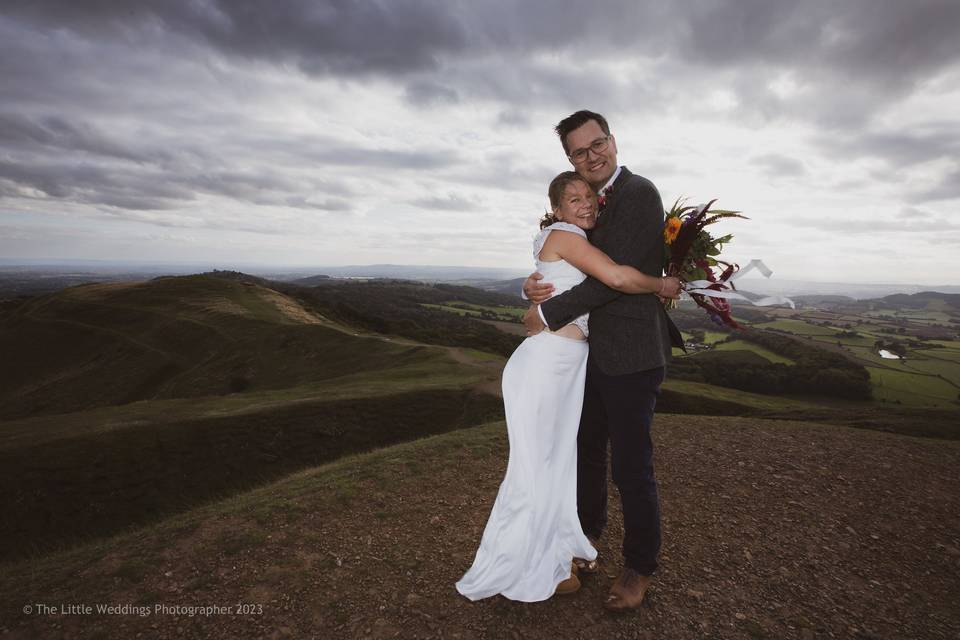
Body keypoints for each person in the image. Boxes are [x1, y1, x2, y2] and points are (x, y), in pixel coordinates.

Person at [455, 171, 680, 603]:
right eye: (573, 198)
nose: (585, 202)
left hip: (565, 363)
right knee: (542, 466)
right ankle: (530, 559)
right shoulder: (566, 235)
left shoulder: (566, 235)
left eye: (589, 195)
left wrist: (534, 292)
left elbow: (558, 275)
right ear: (556, 210)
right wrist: (662, 285)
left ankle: (556, 553)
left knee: (558, 463)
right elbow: (614, 278)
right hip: (549, 364)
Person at [522, 110, 683, 611]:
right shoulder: (582, 205)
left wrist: (545, 312)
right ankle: (584, 542)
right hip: (588, 355)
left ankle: (639, 566)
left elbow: (615, 277)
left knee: (631, 468)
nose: (591, 157)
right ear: (569, 159)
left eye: (597, 145)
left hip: (633, 354)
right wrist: (531, 287)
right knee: (585, 456)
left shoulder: (639, 194)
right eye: (578, 152)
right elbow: (565, 261)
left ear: (613, 141)